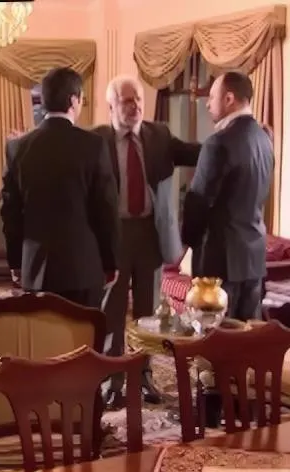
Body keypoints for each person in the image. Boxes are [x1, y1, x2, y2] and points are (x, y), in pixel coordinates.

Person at [92, 75, 201, 408]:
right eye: (127, 101)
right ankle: (113, 382)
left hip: (150, 235)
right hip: (113, 236)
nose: (135, 106)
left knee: (148, 313)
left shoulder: (159, 135)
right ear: (111, 106)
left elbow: (194, 152)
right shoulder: (96, 140)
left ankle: (143, 378)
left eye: (138, 99)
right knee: (111, 313)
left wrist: (229, 140)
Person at [1, 67, 119, 310]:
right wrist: (111, 262)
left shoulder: (17, 149)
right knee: (84, 333)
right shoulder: (94, 146)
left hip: (36, 270)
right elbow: (106, 210)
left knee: (43, 333)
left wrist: (16, 261)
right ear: (74, 100)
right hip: (83, 269)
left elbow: (10, 213)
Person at [180, 70, 274, 321]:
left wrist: (187, 242)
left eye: (212, 97)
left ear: (229, 99)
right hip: (254, 259)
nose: (207, 104)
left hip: (220, 263)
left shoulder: (218, 143)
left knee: (214, 337)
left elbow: (198, 201)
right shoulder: (265, 140)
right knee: (247, 336)